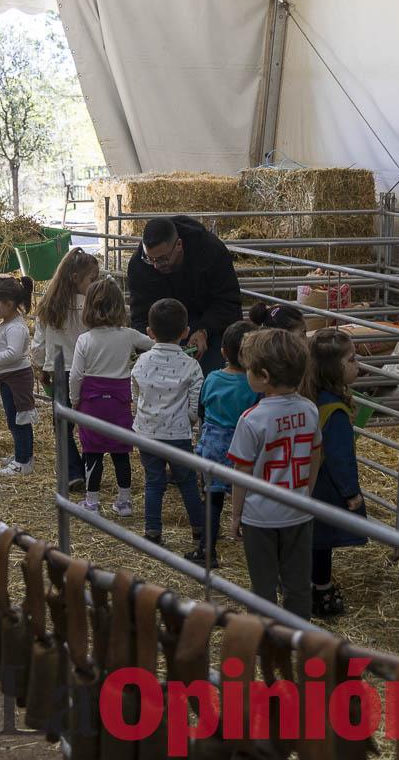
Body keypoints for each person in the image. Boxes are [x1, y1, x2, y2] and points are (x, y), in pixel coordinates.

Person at [228, 328, 323, 619]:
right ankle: (299, 635)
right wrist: (307, 492)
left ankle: (263, 639)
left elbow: (241, 470)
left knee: (263, 586)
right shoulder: (309, 410)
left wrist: (235, 515)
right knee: (298, 584)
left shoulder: (251, 419)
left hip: (261, 516)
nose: (246, 373)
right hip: (298, 510)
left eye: (249, 369)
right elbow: (316, 453)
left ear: (264, 376)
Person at [69, 276, 153, 516]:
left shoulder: (84, 339)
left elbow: (76, 376)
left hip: (92, 402)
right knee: (120, 450)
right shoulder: (128, 335)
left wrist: (75, 399)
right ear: (119, 307)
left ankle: (92, 502)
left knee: (92, 451)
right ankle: (124, 502)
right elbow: (153, 345)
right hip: (119, 401)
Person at [131, 298, 205, 552]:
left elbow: (135, 395)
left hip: (147, 432)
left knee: (153, 481)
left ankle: (152, 532)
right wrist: (189, 421)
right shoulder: (191, 365)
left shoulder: (141, 362)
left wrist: (142, 418)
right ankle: (199, 531)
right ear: (185, 332)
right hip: (178, 435)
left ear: (149, 333)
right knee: (186, 482)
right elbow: (196, 404)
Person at [127, 215, 242, 375]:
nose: (155, 266)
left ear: (179, 245)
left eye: (162, 259)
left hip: (210, 327)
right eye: (150, 259)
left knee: (210, 374)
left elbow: (228, 302)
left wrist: (204, 330)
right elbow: (140, 316)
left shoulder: (211, 251)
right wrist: (155, 344)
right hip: (164, 335)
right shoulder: (139, 265)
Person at [308, 328, 368, 618]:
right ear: (334, 368)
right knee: (321, 543)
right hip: (324, 487)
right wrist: (352, 493)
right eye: (352, 359)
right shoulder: (335, 412)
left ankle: (303, 581)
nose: (358, 365)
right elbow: (340, 458)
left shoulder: (310, 397)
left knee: (307, 539)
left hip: (304, 482)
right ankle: (321, 590)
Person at [193, 320, 260, 567]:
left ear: (223, 352)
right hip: (243, 450)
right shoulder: (255, 385)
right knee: (248, 498)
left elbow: (201, 409)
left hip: (213, 445)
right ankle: (254, 549)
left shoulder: (211, 378)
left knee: (212, 499)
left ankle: (205, 550)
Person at [31, 248, 99, 490]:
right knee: (90, 424)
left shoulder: (49, 304)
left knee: (63, 426)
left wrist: (40, 366)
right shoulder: (92, 305)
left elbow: (38, 342)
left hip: (60, 371)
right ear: (75, 279)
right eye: (93, 279)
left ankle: (72, 472)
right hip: (89, 373)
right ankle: (91, 473)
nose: (96, 284)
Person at [0, 275, 37, 476]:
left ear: (9, 303)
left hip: (16, 379)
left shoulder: (16, 327)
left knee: (19, 419)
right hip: (7, 378)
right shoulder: (7, 322)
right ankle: (23, 455)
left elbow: (13, 353)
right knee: (14, 419)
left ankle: (23, 461)